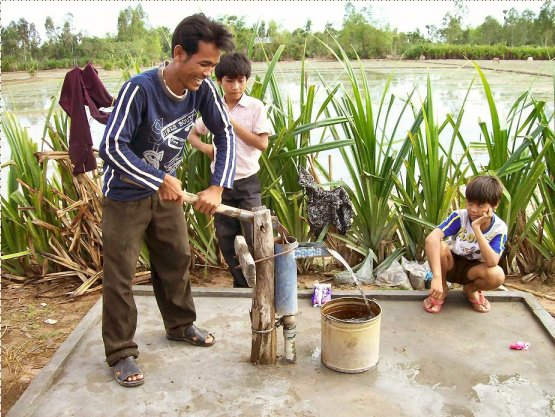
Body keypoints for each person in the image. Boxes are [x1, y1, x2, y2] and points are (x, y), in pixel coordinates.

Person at [98, 14, 236, 387]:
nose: (208, 73)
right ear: (179, 53)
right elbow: (111, 146)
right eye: (203, 64)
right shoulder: (139, 89)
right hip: (125, 194)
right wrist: (157, 179)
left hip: (167, 194)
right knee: (121, 274)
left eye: (212, 65)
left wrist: (216, 187)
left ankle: (180, 324)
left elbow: (225, 134)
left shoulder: (202, 90)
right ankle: (121, 352)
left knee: (176, 258)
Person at [188, 52, 271, 288]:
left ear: (247, 80)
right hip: (221, 184)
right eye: (229, 81)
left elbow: (262, 144)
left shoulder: (255, 107)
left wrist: (230, 124)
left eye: (241, 80)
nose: (235, 87)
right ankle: (241, 286)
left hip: (247, 183)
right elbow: (192, 132)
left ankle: (262, 285)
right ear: (219, 81)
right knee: (226, 238)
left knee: (255, 236)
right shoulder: (214, 107)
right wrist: (207, 149)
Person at [423, 175, 507, 314]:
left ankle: (470, 289)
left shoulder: (499, 228)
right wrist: (436, 277)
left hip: (473, 270)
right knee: (440, 246)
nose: (473, 210)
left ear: (494, 205)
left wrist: (476, 228)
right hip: (451, 264)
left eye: (481, 205)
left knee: (497, 275)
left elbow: (492, 262)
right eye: (470, 203)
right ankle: (442, 287)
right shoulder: (459, 217)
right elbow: (431, 239)